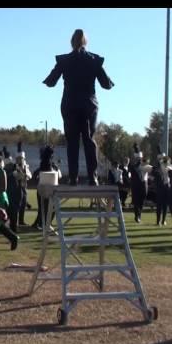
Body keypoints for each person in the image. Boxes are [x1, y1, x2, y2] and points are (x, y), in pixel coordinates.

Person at [43, 29, 114, 186]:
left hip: (70, 104)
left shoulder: (65, 61)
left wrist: (49, 80)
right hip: (89, 104)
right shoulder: (93, 60)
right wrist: (109, 82)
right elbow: (106, 84)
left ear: (71, 42)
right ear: (85, 42)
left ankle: (73, 177)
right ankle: (92, 176)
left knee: (72, 141)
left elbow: (51, 81)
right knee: (89, 139)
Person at [33, 148, 61, 232]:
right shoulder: (52, 166)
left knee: (42, 208)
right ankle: (45, 224)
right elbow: (58, 176)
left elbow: (35, 174)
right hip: (50, 189)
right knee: (51, 208)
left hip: (41, 188)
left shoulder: (42, 164)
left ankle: (39, 224)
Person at [128, 144, 153, 224]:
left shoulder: (145, 165)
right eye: (138, 159)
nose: (139, 160)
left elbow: (152, 169)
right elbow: (133, 169)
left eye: (140, 159)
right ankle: (137, 216)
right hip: (136, 185)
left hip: (144, 184)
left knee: (142, 200)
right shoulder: (133, 166)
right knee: (136, 201)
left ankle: (139, 215)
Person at [153, 147, 172, 226]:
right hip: (160, 186)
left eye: (165, 159)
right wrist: (161, 162)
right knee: (159, 204)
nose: (164, 160)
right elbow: (157, 170)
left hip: (167, 185)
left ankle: (163, 220)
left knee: (165, 204)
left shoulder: (169, 165)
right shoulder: (159, 165)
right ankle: (158, 220)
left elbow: (169, 170)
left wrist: (166, 163)